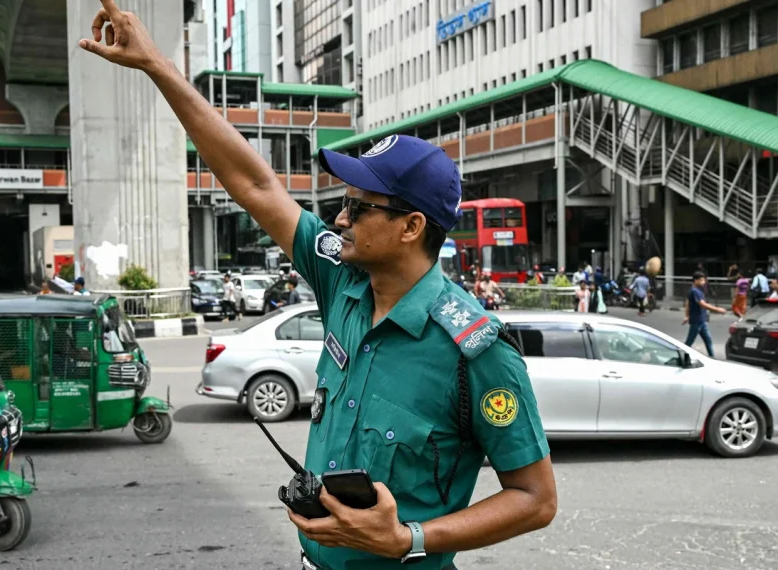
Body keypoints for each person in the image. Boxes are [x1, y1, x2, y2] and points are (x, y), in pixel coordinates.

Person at [78, 5, 558, 567]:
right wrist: (158, 66)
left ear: (411, 227)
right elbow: (256, 184)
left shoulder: (474, 351)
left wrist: (411, 539)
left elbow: (536, 499)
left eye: (359, 207)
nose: (339, 220)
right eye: (342, 204)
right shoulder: (344, 281)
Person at [683, 272, 726, 358]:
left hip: (701, 321)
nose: (704, 282)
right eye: (701, 280)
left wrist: (687, 316)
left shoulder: (695, 290)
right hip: (696, 321)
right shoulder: (695, 291)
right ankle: (684, 357)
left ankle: (712, 357)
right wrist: (718, 309)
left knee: (708, 340)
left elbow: (687, 304)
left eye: (704, 280)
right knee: (689, 342)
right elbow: (702, 304)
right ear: (695, 280)